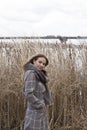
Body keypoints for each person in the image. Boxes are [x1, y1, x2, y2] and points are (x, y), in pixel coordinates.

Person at [23, 54, 52, 130]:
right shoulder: (31, 74)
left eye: (44, 64)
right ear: (34, 61)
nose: (42, 65)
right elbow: (28, 94)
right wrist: (40, 105)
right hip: (35, 111)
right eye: (40, 62)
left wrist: (42, 106)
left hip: (41, 111)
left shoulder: (39, 74)